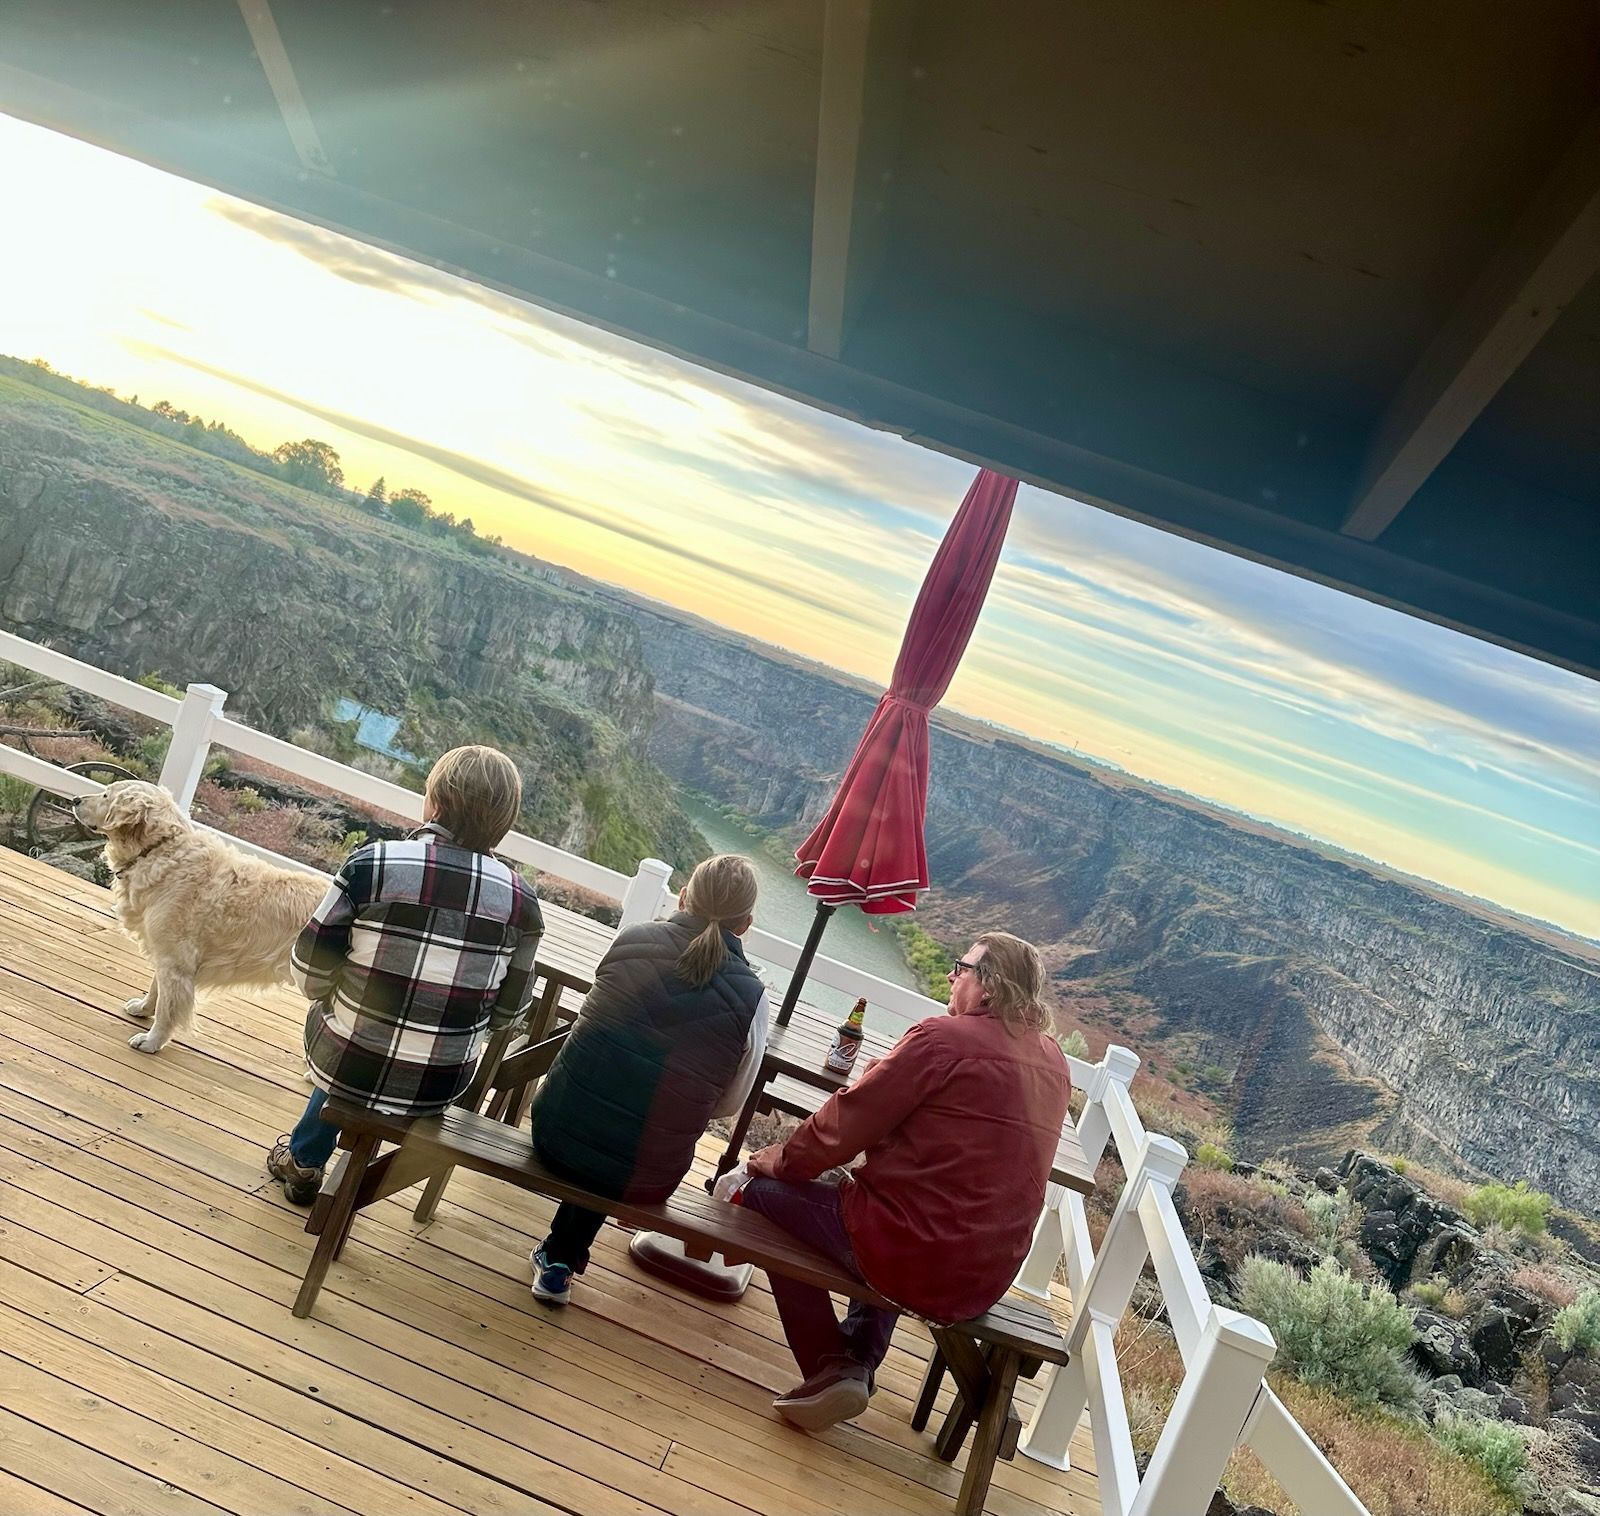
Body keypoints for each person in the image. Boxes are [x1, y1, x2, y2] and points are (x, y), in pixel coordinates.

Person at [741, 931, 1071, 1431]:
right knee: (896, 1212)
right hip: (984, 1272)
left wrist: (782, 1163)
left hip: (911, 1248)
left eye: (961, 968)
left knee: (763, 1197)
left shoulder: (942, 1038)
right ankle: (856, 1358)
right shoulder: (1053, 1061)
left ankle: (833, 1364)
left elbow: (847, 1122)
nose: (950, 976)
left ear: (988, 985)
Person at [267, 745, 544, 1204]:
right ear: (505, 820)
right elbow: (507, 1015)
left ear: (434, 802)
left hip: (345, 1057)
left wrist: (343, 994)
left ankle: (304, 1160)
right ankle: (320, 1162)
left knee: (353, 1031)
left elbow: (310, 969)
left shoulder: (373, 864)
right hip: (443, 1080)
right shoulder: (523, 903)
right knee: (380, 1037)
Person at [526, 853, 768, 1305]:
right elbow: (728, 1104)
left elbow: (591, 1037)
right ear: (746, 923)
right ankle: (560, 1258)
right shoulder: (752, 998)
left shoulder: (633, 940)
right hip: (647, 1173)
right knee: (633, 1134)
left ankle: (560, 1257)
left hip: (557, 1131)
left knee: (609, 1109)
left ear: (682, 897)